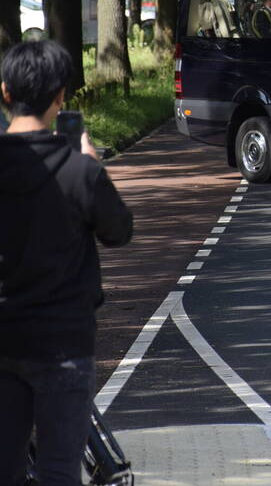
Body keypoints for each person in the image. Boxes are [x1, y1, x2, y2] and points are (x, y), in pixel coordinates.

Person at [0, 40, 133, 485]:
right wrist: (94, 166)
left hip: (3, 336)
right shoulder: (79, 171)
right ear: (60, 96)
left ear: (5, 92)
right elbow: (119, 232)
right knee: (60, 467)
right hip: (64, 340)